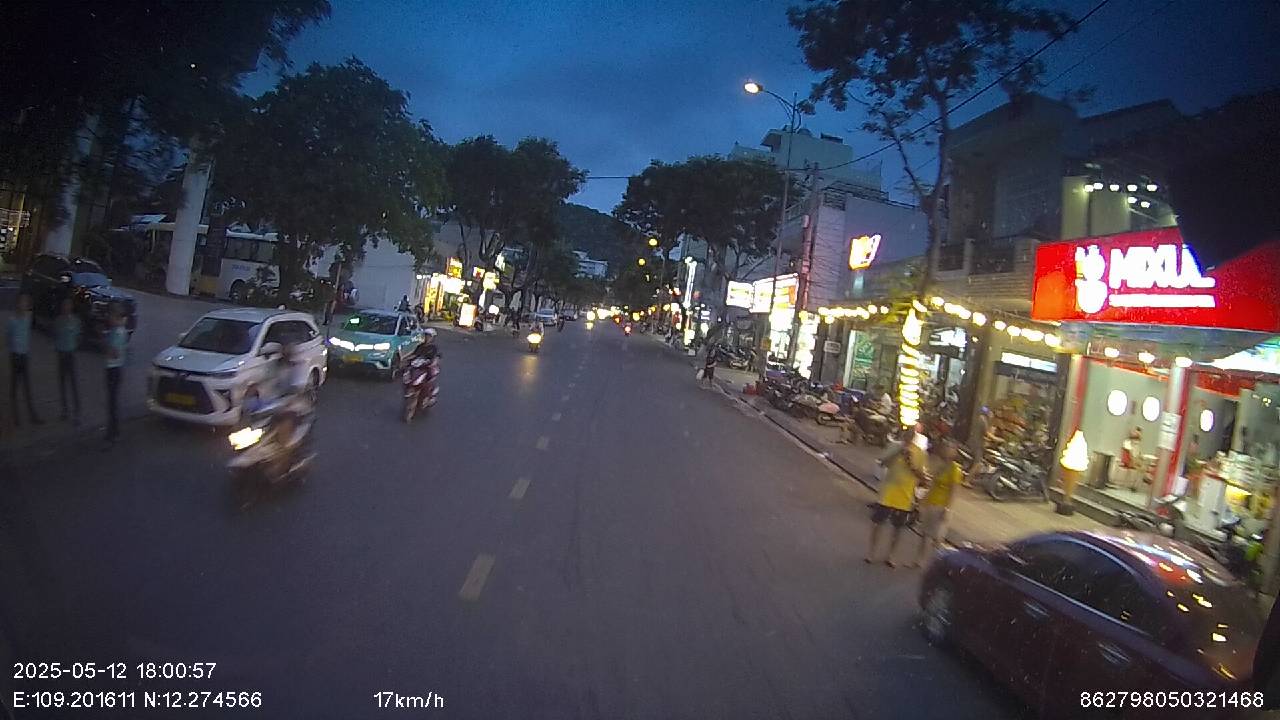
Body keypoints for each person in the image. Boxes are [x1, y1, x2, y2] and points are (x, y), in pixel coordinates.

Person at [866, 426, 930, 567]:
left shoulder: (920, 453)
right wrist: (898, 452)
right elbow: (882, 462)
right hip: (888, 493)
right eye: (907, 434)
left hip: (905, 495)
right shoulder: (895, 446)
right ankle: (872, 552)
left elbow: (922, 476)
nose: (909, 437)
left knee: (898, 528)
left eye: (912, 434)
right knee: (878, 523)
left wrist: (911, 462)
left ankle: (891, 555)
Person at [911, 440, 962, 568]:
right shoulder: (941, 466)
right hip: (931, 503)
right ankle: (920, 559)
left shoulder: (955, 470)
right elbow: (932, 485)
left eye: (950, 448)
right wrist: (922, 501)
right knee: (925, 534)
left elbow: (953, 491)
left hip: (941, 505)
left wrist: (948, 509)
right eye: (946, 447)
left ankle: (935, 561)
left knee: (936, 537)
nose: (947, 450)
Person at [6, 292, 43, 427]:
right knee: (14, 387)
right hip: (15, 356)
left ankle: (32, 416)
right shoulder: (13, 320)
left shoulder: (29, 317)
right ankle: (15, 417)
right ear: (18, 304)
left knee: (27, 387)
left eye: (26, 302)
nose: (24, 304)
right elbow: (9, 338)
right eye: (22, 302)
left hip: (24, 356)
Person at [53, 297, 82, 423]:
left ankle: (77, 412)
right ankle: (64, 409)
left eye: (68, 305)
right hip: (61, 353)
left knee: (73, 383)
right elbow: (55, 334)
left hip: (70, 353)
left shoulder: (75, 321)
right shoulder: (58, 321)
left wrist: (74, 346)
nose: (66, 307)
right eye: (64, 305)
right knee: (62, 383)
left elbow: (78, 336)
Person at [103, 304, 129, 445]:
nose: (109, 318)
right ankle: (113, 430)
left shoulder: (118, 333)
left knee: (112, 402)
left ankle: (113, 431)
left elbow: (115, 353)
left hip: (114, 369)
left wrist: (106, 345)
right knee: (112, 401)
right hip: (114, 368)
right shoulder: (118, 331)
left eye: (111, 316)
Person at [964, 406, 992, 488]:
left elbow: (981, 433)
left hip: (972, 442)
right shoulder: (983, 420)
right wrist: (998, 439)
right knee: (978, 463)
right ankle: (966, 481)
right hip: (977, 445)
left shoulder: (978, 419)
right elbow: (987, 434)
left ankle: (971, 477)